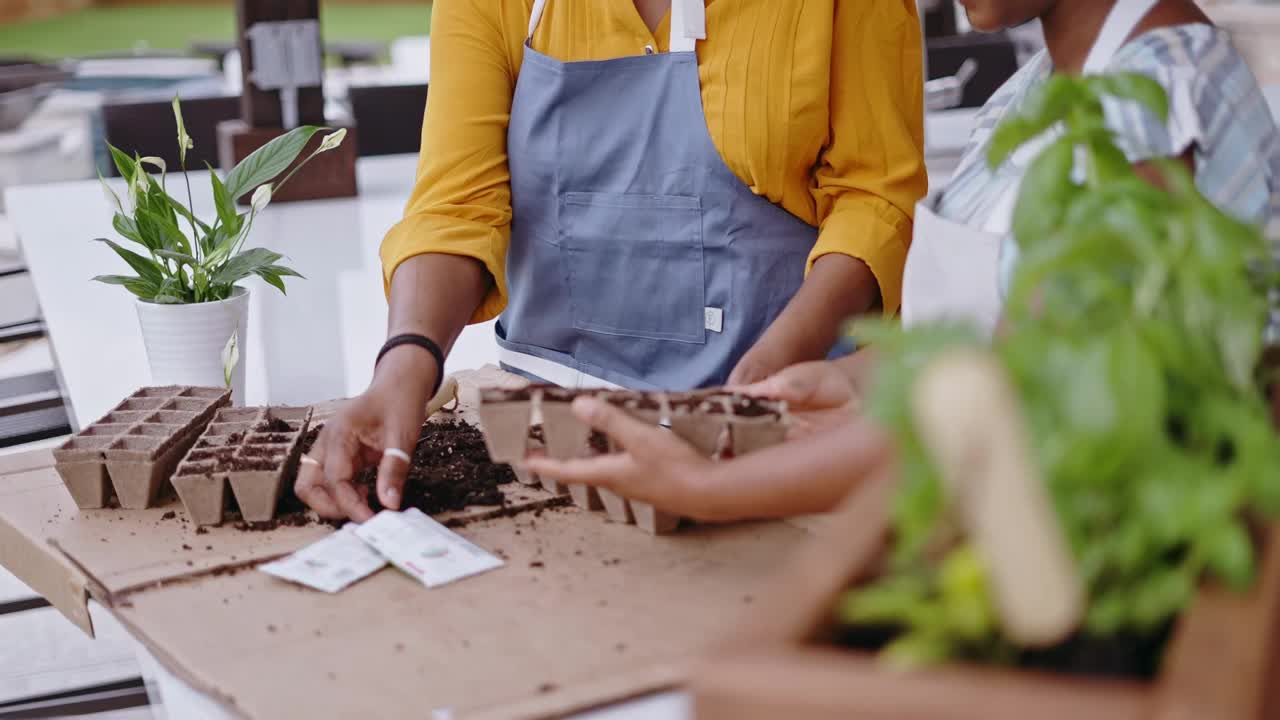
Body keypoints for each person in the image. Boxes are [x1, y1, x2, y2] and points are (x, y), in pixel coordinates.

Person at [525, 0, 1280, 521]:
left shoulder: (1150, 103)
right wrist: (850, 378)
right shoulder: (1036, 95)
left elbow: (1016, 397)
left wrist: (710, 488)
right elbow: (1000, 337)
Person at [296, 0, 928, 521]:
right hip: (551, 452)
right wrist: (403, 368)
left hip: (778, 440)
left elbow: (873, 199)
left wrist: (765, 375)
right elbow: (456, 206)